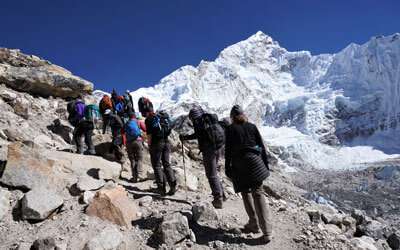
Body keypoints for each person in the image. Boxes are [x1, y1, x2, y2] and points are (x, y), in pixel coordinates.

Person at [225, 105, 272, 244]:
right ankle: (267, 232)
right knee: (258, 192)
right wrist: (265, 164)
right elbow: (261, 147)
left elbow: (228, 151)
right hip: (255, 162)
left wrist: (228, 168)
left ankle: (253, 223)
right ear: (243, 115)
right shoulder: (252, 126)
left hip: (240, 165)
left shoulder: (230, 129)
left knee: (245, 192)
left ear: (232, 117)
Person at [179, 105, 225, 209]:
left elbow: (197, 135)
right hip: (219, 147)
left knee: (211, 174)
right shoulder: (208, 119)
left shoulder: (199, 122)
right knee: (215, 173)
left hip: (209, 150)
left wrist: (185, 137)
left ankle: (218, 199)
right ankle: (223, 194)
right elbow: (200, 134)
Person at [145, 107, 177, 196]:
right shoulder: (163, 119)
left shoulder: (149, 119)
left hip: (156, 143)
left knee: (157, 165)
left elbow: (149, 134)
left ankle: (161, 188)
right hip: (166, 142)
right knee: (167, 164)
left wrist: (149, 145)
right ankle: (173, 186)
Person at [125, 112, 146, 182]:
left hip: (129, 143)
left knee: (132, 159)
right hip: (138, 141)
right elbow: (145, 129)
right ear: (135, 116)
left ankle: (134, 177)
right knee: (140, 158)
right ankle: (140, 175)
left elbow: (122, 131)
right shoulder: (138, 122)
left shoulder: (126, 123)